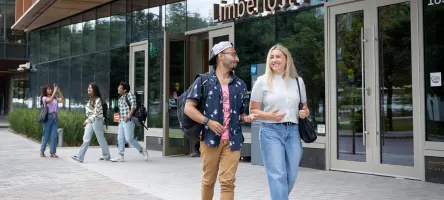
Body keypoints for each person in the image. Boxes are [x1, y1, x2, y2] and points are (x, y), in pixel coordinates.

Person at [184, 41, 257, 200]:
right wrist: (208, 121)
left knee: (228, 182)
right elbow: (188, 108)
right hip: (210, 139)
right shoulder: (204, 81)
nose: (237, 58)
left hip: (233, 141)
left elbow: (241, 114)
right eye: (233, 54)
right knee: (208, 181)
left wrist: (247, 117)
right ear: (220, 56)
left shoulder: (240, 85)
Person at [249, 44, 309, 200]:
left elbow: (305, 108)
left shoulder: (298, 81)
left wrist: (304, 113)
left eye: (278, 56)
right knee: (278, 175)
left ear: (286, 59)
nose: (274, 60)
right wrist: (269, 116)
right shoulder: (262, 81)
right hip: (271, 132)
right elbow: (253, 110)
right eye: (271, 57)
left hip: (293, 132)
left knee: (291, 174)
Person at [110, 81, 148, 162]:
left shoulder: (130, 95)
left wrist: (128, 116)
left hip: (129, 120)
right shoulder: (120, 98)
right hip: (121, 121)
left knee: (129, 139)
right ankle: (121, 156)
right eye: (118, 87)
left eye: (120, 88)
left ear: (125, 90)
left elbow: (133, 107)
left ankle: (142, 150)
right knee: (120, 138)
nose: (118, 89)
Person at [72, 83, 111, 163]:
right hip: (91, 120)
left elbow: (96, 113)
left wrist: (87, 120)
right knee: (86, 138)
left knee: (100, 139)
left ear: (94, 90)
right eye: (88, 88)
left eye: (90, 88)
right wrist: (88, 120)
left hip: (96, 120)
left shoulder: (98, 100)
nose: (88, 89)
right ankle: (80, 156)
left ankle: (106, 156)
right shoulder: (91, 99)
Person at [39, 84, 64, 158]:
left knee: (53, 136)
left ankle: (52, 152)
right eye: (48, 89)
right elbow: (49, 100)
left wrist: (59, 92)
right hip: (48, 117)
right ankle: (42, 151)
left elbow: (62, 100)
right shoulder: (44, 98)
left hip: (55, 117)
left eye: (51, 89)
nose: (50, 90)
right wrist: (54, 92)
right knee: (45, 135)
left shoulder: (55, 98)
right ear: (45, 90)